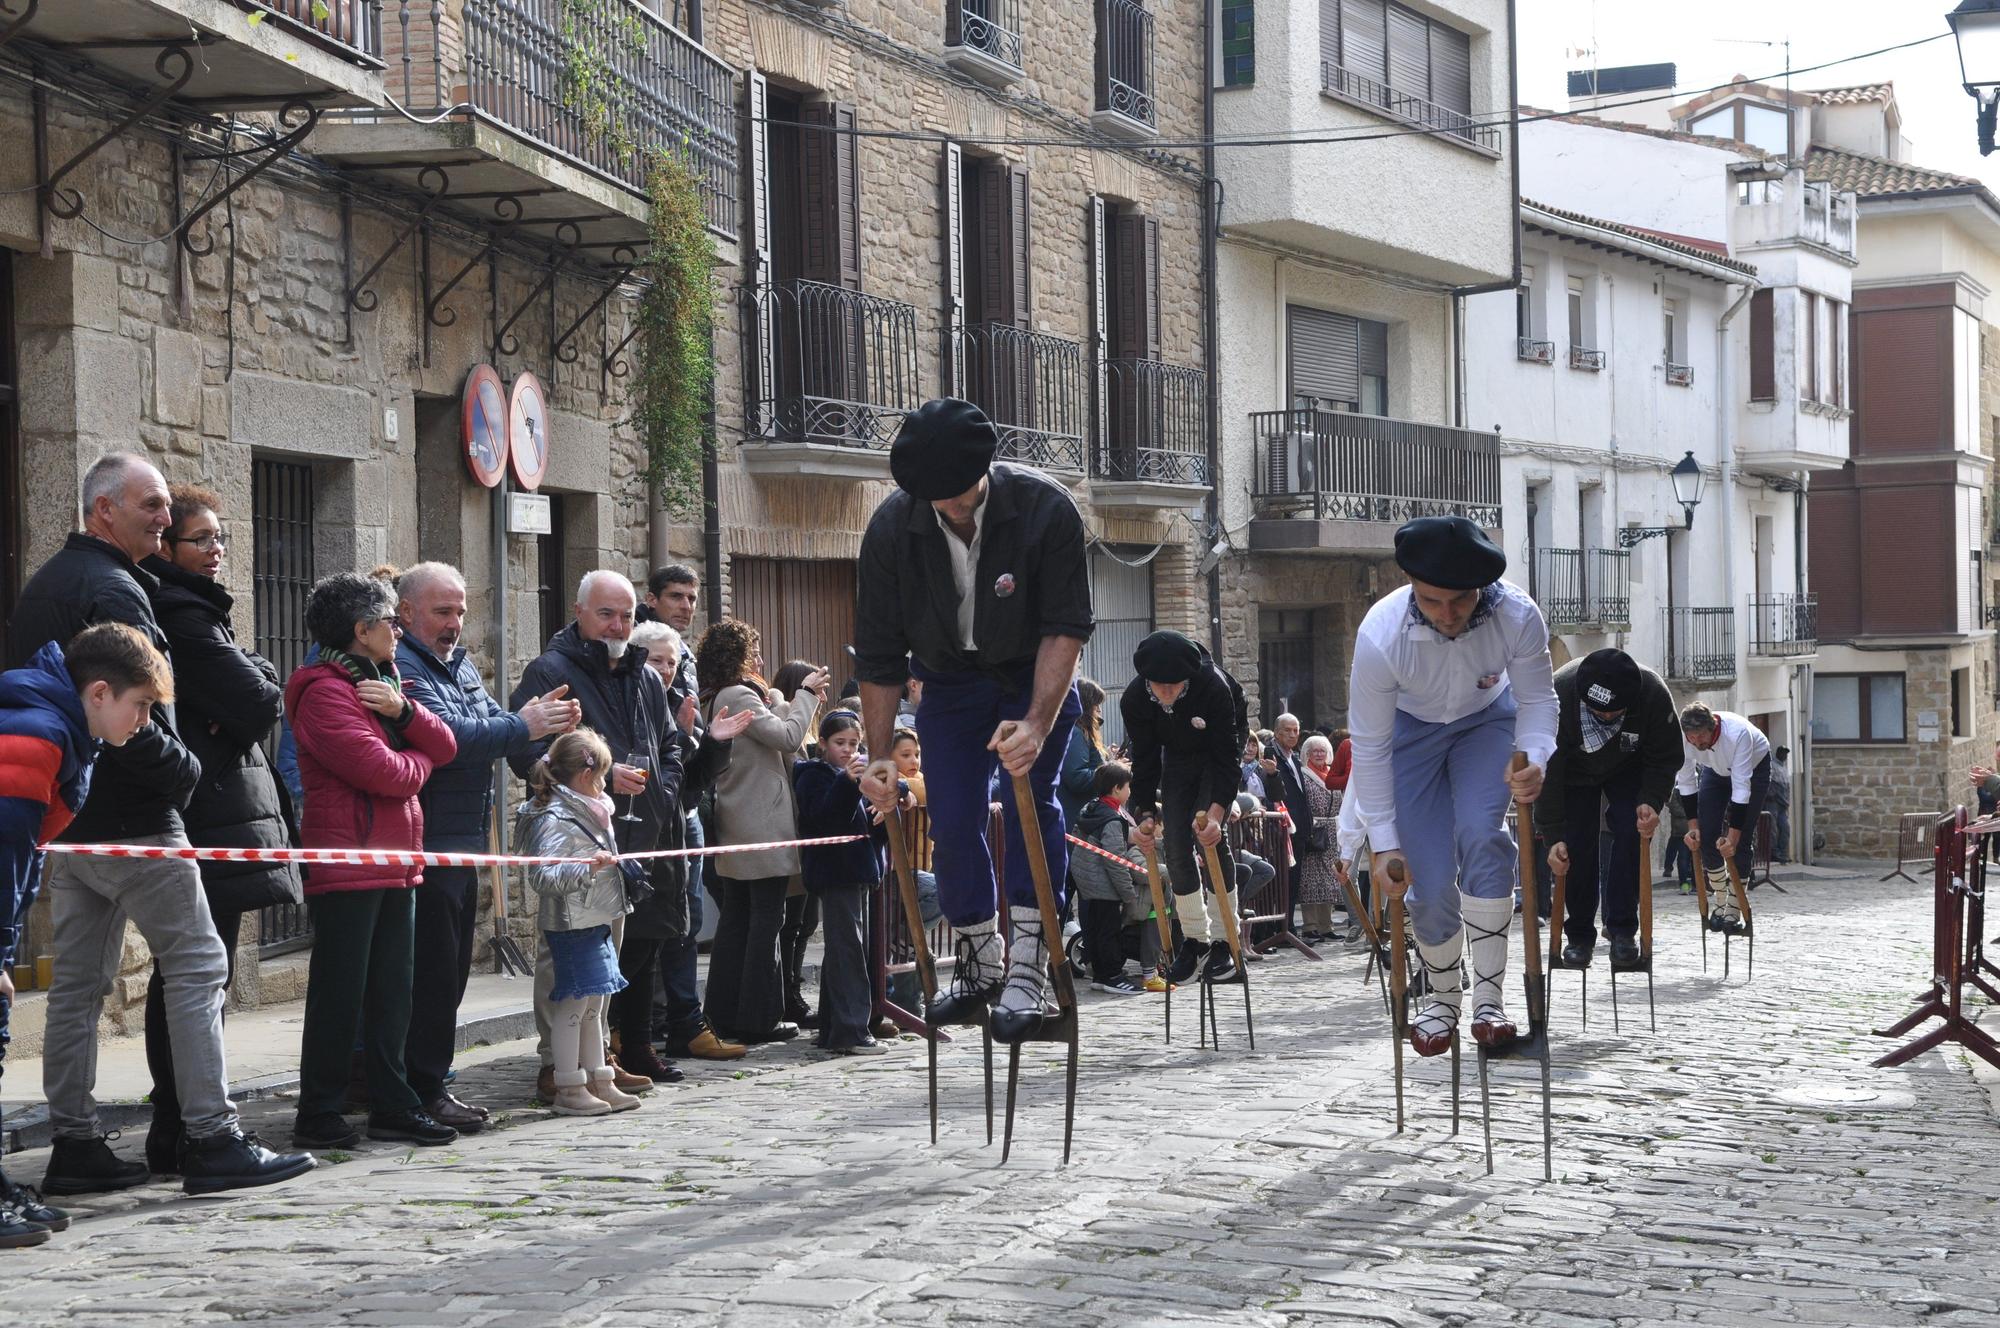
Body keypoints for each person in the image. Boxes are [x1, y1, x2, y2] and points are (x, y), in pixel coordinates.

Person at [9, 452, 310, 1197]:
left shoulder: (50, 581)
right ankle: (212, 1137)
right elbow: (125, 700)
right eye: (149, 505)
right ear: (102, 509)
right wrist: (180, 769)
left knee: (78, 985)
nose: (165, 517)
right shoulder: (111, 586)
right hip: (136, 819)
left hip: (75, 820)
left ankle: (75, 1143)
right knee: (200, 966)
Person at [855, 398, 1091, 1042]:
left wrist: (1038, 721)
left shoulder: (1046, 511)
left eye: (962, 496)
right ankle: (982, 958)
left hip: (1029, 673)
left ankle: (1029, 964)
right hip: (950, 683)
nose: (955, 510)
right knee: (954, 818)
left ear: (986, 468)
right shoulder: (891, 530)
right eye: (939, 501)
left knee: (1029, 804)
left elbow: (1065, 626)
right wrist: (879, 755)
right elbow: (878, 656)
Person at [139, 484, 304, 1174]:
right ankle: (180, 1124)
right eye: (200, 540)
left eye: (220, 539)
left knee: (197, 970)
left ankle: (178, 1122)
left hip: (221, 808)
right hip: (208, 811)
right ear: (169, 549)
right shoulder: (182, 612)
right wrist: (247, 689)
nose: (215, 553)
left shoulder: (202, 610)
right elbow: (262, 695)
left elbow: (259, 687)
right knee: (192, 971)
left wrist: (250, 685)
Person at [1348, 515, 1555, 1056]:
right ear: (1413, 588)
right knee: (1427, 876)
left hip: (1486, 723)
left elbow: (1536, 701)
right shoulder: (1380, 634)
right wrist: (1385, 844)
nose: (1447, 615)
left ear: (1481, 590)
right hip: (1409, 733)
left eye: (1460, 602)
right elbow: (1368, 746)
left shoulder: (1517, 614)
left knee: (1481, 831)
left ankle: (1490, 999)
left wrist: (1534, 760)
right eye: (1433, 601)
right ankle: (1442, 998)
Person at [0, 624, 176, 1241]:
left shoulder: (62, 731)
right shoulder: (35, 736)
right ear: (99, 692)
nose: (144, 722)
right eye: (142, 706)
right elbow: (4, 856)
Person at [395, 561, 581, 1130]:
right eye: (441, 612)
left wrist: (531, 731)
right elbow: (453, 739)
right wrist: (524, 726)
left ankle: (430, 1081)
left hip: (466, 833)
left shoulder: (456, 661)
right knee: (431, 972)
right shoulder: (404, 665)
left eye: (459, 613)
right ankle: (422, 1089)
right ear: (406, 614)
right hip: (430, 836)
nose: (454, 624)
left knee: (449, 970)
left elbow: (487, 721)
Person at [286, 572, 461, 1150]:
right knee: (340, 992)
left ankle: (395, 1104)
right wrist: (417, 763)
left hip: (397, 857)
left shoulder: (386, 680)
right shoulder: (324, 691)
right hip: (351, 861)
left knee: (393, 992)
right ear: (363, 631)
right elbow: (387, 772)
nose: (398, 629)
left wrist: (406, 715)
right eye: (390, 620)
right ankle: (319, 1111)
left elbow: (447, 743)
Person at [510, 571, 685, 1100]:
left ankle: (598, 1056)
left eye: (627, 615)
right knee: (562, 954)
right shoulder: (551, 669)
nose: (618, 625)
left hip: (631, 837)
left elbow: (671, 746)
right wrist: (600, 778)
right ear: (580, 611)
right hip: (573, 841)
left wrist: (660, 792)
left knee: (611, 952)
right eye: (607, 613)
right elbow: (525, 753)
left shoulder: (647, 674)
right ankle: (554, 1064)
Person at [620, 620, 748, 1080]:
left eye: (673, 663)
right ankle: (623, 1040)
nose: (666, 671)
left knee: (670, 934)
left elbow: (687, 791)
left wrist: (712, 743)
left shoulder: (677, 704)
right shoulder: (628, 700)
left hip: (673, 836)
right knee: (632, 948)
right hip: (633, 839)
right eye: (657, 660)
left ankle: (660, 1034)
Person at [699, 624, 823, 1043]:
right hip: (759, 822)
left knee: (738, 921)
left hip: (742, 821)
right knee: (765, 919)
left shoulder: (724, 694)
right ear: (737, 658)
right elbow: (789, 738)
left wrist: (779, 699)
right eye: (754, 654)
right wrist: (805, 694)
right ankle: (757, 1017)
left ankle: (724, 1013)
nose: (761, 663)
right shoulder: (737, 695)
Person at [516, 728, 641, 1116]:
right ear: (586, 776)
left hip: (598, 916)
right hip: (573, 922)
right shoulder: (555, 815)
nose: (605, 784)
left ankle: (599, 1078)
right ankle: (570, 1086)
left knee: (594, 1005)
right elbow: (544, 878)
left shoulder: (589, 806)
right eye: (602, 776)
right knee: (573, 1007)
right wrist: (587, 869)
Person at [1535, 648, 1682, 969]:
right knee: (1575, 844)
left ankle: (1622, 930)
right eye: (1598, 713)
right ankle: (1578, 936)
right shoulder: (1557, 695)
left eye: (1612, 714)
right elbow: (1547, 772)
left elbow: (1664, 758)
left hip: (1630, 765)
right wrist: (1552, 834)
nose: (1604, 718)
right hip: (1571, 771)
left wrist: (1652, 801)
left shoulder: (1653, 695)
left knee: (1632, 830)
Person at [1122, 630, 1247, 984]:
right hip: (1176, 755)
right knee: (1175, 843)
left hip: (1218, 751)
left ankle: (1225, 939)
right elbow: (1144, 760)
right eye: (1158, 686)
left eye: (1173, 686)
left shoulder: (1213, 687)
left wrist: (1219, 813)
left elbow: (1228, 760)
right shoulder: (1134, 699)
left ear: (1187, 679)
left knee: (1208, 835)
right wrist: (1144, 813)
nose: (1166, 693)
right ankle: (1195, 939)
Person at [793, 711, 896, 1054]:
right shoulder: (812, 775)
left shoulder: (857, 774)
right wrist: (847, 784)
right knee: (846, 950)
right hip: (834, 872)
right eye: (840, 743)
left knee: (849, 950)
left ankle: (834, 1027)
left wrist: (889, 803)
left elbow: (885, 795)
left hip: (860, 869)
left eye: (853, 743)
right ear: (822, 743)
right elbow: (824, 818)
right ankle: (851, 1030)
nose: (848, 750)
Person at [769, 658, 829, 1030]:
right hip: (790, 836)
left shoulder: (810, 726)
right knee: (791, 922)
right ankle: (788, 994)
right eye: (814, 690)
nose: (821, 697)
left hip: (810, 840)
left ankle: (794, 992)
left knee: (806, 921)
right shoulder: (787, 724)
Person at [1676, 703, 1771, 935]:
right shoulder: (1683, 739)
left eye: (1701, 737)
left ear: (1713, 726)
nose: (1697, 743)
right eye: (1692, 739)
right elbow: (1687, 781)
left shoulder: (1738, 734)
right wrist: (1693, 827)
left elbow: (1741, 790)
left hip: (1753, 769)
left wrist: (1733, 837)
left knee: (1740, 841)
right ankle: (1720, 899)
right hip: (1715, 771)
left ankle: (1734, 907)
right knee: (1706, 835)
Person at [1068, 762, 1151, 994]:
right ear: (1116, 789)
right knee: (1109, 932)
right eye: (1128, 786)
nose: (1130, 791)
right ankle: (1112, 975)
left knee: (1094, 930)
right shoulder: (1112, 819)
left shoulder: (1091, 808)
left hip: (1087, 881)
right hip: (1104, 884)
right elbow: (1115, 860)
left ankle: (1101, 975)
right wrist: (1128, 893)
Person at [1294, 735, 1343, 940]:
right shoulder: (1303, 776)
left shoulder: (1332, 774)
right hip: (1314, 829)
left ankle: (1326, 925)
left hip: (1332, 829)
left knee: (1330, 879)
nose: (1319, 754)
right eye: (1315, 751)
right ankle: (1310, 925)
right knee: (1311, 880)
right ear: (1307, 753)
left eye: (1322, 750)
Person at [1058, 678, 1107, 828]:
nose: (1099, 710)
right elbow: (1077, 778)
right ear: (1085, 705)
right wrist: (1109, 771)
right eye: (1096, 704)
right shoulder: (1076, 733)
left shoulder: (1077, 731)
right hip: (1075, 818)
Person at [1768, 745, 1793, 865]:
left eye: (1786, 753)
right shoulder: (1772, 765)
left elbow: (1787, 787)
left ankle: (1783, 853)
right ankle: (1774, 853)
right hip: (1773, 802)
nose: (1784, 755)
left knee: (1785, 828)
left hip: (1783, 804)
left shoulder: (1784, 768)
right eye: (1783, 753)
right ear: (1778, 753)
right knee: (1772, 828)